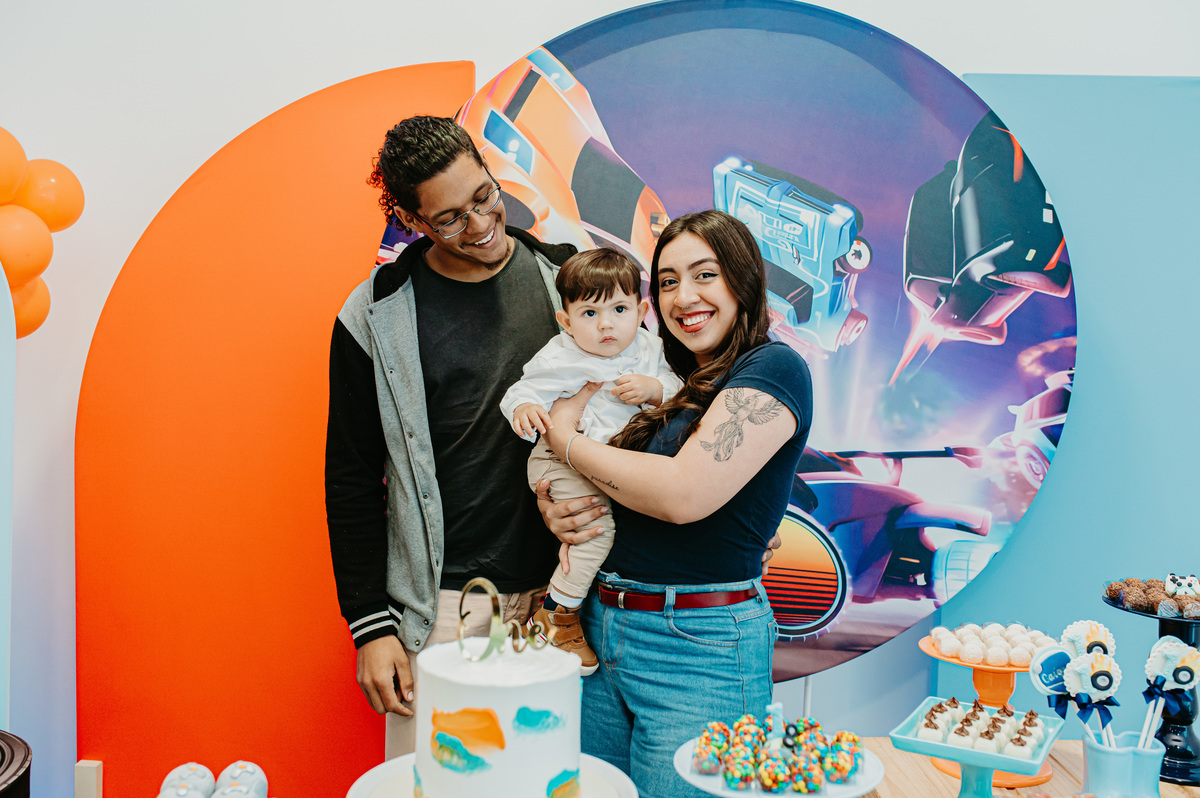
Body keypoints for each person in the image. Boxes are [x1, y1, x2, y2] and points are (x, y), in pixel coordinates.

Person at [324, 115, 583, 758]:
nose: (480, 224)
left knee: (548, 778)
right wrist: (370, 627)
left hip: (561, 600)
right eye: (449, 219)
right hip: (443, 608)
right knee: (442, 780)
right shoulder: (373, 313)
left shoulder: (568, 278)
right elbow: (352, 477)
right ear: (411, 219)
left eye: (484, 196)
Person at [538, 210, 813, 798]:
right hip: (598, 628)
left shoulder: (772, 366)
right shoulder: (662, 375)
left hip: (698, 646)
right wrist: (559, 503)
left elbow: (681, 494)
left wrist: (566, 443)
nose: (683, 296)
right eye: (667, 281)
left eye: (704, 274)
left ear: (743, 279)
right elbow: (623, 488)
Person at [500, 248, 684, 674]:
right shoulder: (560, 355)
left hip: (610, 463)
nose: (605, 325)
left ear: (641, 311)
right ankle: (557, 614)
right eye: (589, 313)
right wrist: (525, 408)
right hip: (558, 460)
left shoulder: (651, 349)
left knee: (614, 526)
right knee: (597, 532)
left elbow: (679, 386)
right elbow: (521, 391)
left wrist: (655, 389)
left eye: (619, 309)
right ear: (566, 321)